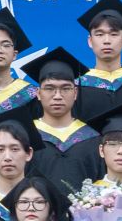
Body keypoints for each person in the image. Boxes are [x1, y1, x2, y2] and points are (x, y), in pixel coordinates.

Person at [23, 48, 101, 189]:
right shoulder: (26, 136)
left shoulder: (93, 137)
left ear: (75, 93)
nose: (58, 96)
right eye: (49, 88)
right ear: (38, 93)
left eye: (65, 88)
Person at [73, 0, 122, 122]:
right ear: (90, 41)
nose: (106, 41)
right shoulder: (77, 86)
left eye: (113, 34)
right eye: (99, 34)